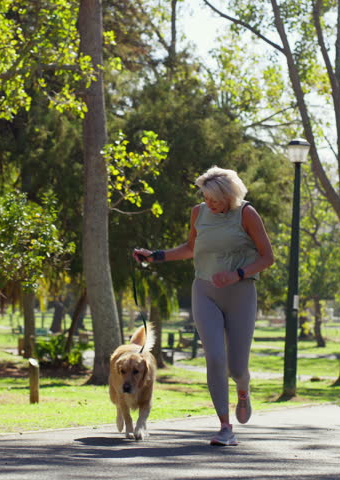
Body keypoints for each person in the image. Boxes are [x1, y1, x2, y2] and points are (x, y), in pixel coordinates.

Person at [133, 166, 274, 446]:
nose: (210, 204)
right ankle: (225, 427)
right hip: (205, 291)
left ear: (230, 197)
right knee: (215, 359)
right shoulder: (199, 212)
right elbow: (190, 248)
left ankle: (243, 389)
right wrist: (155, 256)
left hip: (241, 294)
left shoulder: (246, 214)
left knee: (235, 368)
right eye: (206, 198)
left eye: (215, 200)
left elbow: (267, 257)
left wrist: (238, 274)